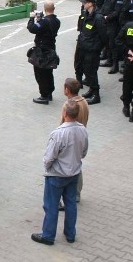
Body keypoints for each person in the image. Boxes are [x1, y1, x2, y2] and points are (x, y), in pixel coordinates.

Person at [31, 100, 88, 246]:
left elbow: (49, 157)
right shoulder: (82, 130)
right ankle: (70, 234)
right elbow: (84, 152)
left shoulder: (59, 133)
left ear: (64, 113)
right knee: (71, 204)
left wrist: (47, 166)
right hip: (74, 174)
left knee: (51, 206)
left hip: (56, 175)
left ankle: (48, 235)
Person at [74, 0, 107, 104]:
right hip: (84, 47)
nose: (83, 4)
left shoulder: (98, 18)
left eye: (85, 2)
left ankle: (96, 94)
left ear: (91, 4)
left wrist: (98, 47)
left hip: (92, 50)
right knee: (86, 70)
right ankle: (91, 90)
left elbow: (104, 36)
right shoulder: (87, 14)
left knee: (91, 71)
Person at [27, 2, 61, 104]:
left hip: (42, 52)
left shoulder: (45, 22)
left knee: (40, 73)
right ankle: (49, 93)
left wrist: (32, 18)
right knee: (48, 72)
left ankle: (44, 95)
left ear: (45, 9)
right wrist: (40, 21)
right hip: (51, 49)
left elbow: (32, 28)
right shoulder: (57, 21)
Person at [100, 0, 123, 73]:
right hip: (106, 22)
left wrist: (107, 17)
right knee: (108, 42)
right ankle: (109, 60)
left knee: (113, 44)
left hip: (113, 24)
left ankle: (115, 65)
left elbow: (117, 12)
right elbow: (105, 6)